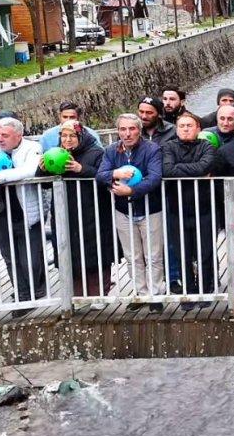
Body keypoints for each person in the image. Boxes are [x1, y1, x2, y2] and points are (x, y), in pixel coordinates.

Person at [96, 113, 166, 306]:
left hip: (150, 209)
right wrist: (115, 173)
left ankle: (156, 294)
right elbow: (100, 175)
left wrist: (131, 190)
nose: (127, 134)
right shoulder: (111, 150)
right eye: (123, 129)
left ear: (139, 130)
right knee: (132, 255)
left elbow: (154, 177)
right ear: (118, 131)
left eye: (132, 129)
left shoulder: (152, 149)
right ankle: (140, 292)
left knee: (153, 254)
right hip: (123, 211)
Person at [0, 116, 47, 303]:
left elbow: (29, 170)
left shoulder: (32, 148)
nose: (0, 139)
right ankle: (22, 295)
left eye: (5, 135)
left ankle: (36, 288)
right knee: (10, 259)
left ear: (19, 136)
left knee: (31, 260)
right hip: (0, 214)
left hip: (26, 214)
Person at [51, 120, 115, 298]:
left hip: (93, 211)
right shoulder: (56, 153)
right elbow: (41, 182)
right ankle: (77, 295)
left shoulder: (96, 152)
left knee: (96, 253)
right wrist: (43, 169)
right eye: (64, 136)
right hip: (66, 211)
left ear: (81, 137)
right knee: (69, 253)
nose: (68, 140)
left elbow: (105, 176)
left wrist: (82, 169)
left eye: (72, 136)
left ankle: (99, 293)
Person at [162, 112, 218, 301]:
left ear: (198, 129)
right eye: (182, 126)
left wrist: (183, 169)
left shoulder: (207, 146)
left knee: (205, 252)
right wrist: (196, 171)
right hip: (178, 210)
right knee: (182, 253)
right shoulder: (168, 147)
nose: (185, 129)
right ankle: (189, 291)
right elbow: (168, 170)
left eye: (189, 126)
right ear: (176, 129)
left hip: (204, 208)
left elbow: (206, 165)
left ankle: (205, 290)